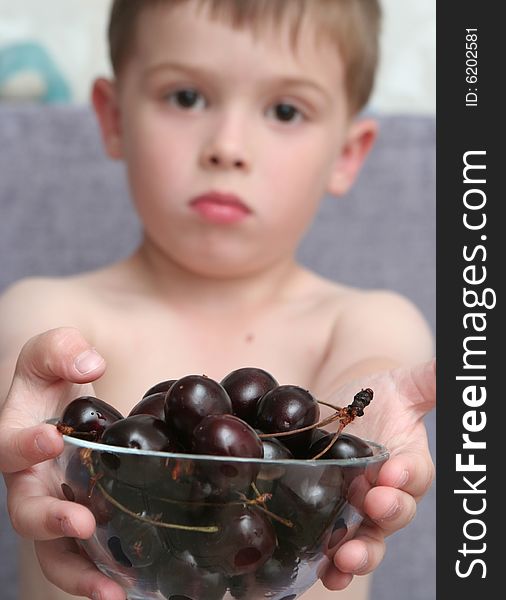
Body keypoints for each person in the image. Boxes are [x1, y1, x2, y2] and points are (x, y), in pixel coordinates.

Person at [0, 1, 435, 599]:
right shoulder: (46, 312)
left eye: (285, 109)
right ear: (113, 118)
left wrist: (356, 439)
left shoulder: (366, 321)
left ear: (347, 152)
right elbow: (25, 388)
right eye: (186, 97)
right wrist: (34, 431)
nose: (227, 147)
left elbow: (361, 385)